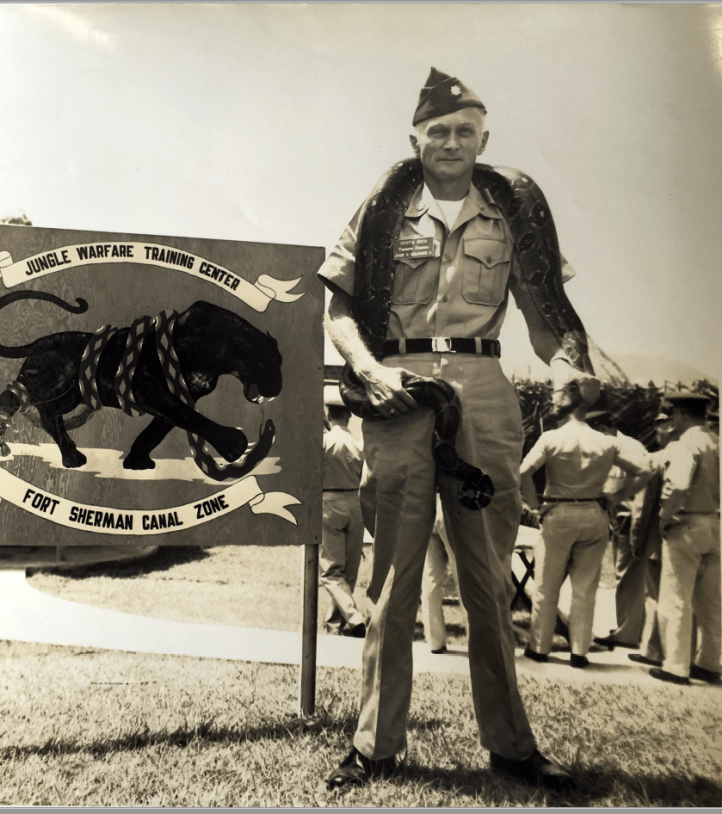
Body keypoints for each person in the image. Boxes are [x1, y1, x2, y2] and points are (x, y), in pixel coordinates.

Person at [318, 68, 599, 792]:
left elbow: (549, 321)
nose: (450, 142)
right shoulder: (383, 209)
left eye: (465, 131)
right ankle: (375, 745)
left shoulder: (515, 212)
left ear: (484, 139)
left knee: (486, 580)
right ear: (415, 137)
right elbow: (339, 310)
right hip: (398, 392)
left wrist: (569, 365)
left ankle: (511, 746)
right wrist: (367, 368)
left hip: (483, 391)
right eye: (437, 131)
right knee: (392, 582)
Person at [519, 407, 650, 668]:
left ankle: (539, 647)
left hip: (558, 512)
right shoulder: (608, 441)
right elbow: (645, 471)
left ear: (565, 412)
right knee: (585, 589)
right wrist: (617, 497)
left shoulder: (551, 438)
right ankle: (579, 651)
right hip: (594, 513)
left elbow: (523, 472)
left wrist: (534, 507)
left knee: (546, 586)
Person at [649, 392, 721, 686]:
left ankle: (676, 667)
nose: (670, 422)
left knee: (676, 597)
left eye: (672, 415)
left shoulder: (684, 445)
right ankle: (709, 663)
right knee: (711, 602)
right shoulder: (716, 441)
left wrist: (665, 516)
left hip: (686, 523)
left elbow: (677, 484)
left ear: (680, 414)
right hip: (715, 524)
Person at [592, 415, 657, 650]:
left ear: (603, 428)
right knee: (624, 573)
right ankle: (628, 628)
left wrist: (637, 526)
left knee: (627, 573)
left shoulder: (629, 447)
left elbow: (643, 488)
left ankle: (628, 633)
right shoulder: (613, 446)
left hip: (629, 516)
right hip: (617, 516)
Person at [627, 412, 679, 668]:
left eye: (659, 426)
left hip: (659, 539)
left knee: (656, 595)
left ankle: (653, 650)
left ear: (670, 427)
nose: (656, 432)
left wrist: (636, 538)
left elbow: (643, 507)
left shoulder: (656, 459)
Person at [321, 402, 367, 637]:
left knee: (330, 571)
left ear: (328, 415)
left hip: (329, 501)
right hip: (355, 502)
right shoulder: (358, 444)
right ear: (349, 416)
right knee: (348, 571)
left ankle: (354, 617)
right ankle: (334, 624)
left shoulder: (324, 441)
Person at [420, 513, 462, 654]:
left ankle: (435, 641)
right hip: (452, 511)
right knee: (465, 580)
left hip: (428, 511)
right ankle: (477, 641)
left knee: (431, 580)